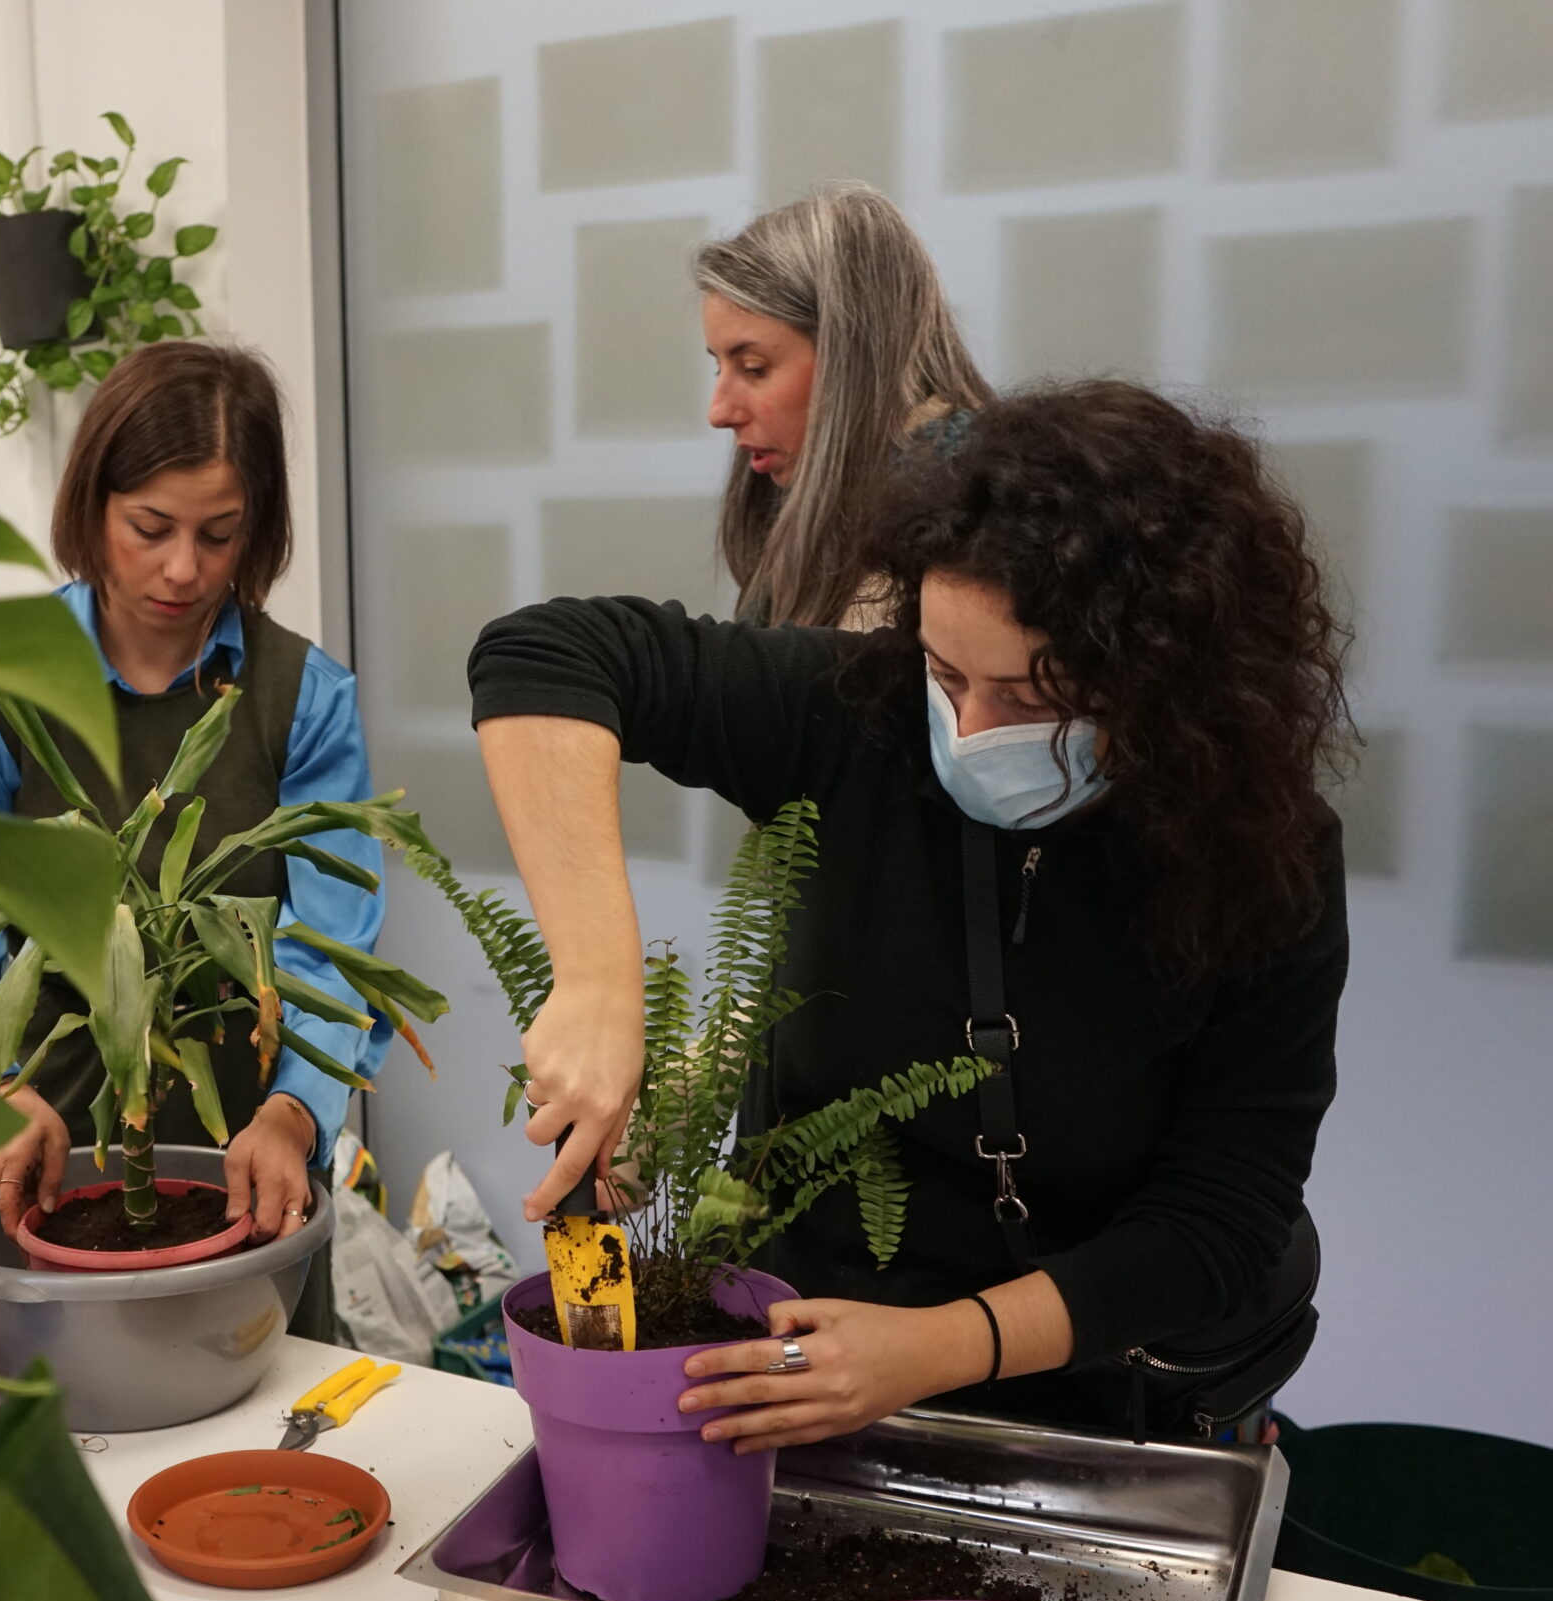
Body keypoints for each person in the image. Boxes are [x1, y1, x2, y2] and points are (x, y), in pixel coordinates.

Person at [468, 381, 1349, 1446]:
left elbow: (1217, 1224)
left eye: (1028, 700)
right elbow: (548, 653)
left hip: (1087, 1404)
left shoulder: (1264, 857)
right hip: (800, 1369)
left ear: (1165, 685)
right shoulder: (858, 711)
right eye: (944, 672)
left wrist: (931, 1347)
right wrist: (599, 986)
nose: (969, 729)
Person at [0, 341, 385, 1312]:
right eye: (149, 527)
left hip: (249, 1172)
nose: (181, 568)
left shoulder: (302, 700)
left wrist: (294, 1116)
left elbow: (329, 951)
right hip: (44, 1174)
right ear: (91, 507)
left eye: (220, 534)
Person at [695, 183, 991, 630]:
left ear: (853, 359)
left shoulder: (967, 537)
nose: (719, 412)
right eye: (720, 367)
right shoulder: (820, 524)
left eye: (754, 368)